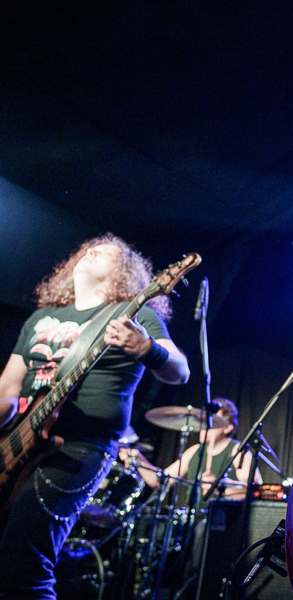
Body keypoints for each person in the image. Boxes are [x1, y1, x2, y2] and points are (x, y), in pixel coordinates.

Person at [0, 233, 190, 599]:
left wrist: (146, 348)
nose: (89, 251)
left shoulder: (135, 314)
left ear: (123, 271)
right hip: (18, 440)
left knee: (23, 564)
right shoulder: (41, 318)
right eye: (87, 249)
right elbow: (7, 387)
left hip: (79, 447)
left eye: (103, 252)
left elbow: (180, 371)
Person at [122, 398, 260, 505]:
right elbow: (161, 481)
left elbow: (256, 490)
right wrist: (138, 458)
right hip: (191, 520)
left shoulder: (236, 451)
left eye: (212, 420)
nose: (204, 424)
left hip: (220, 522)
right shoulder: (194, 451)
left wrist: (222, 488)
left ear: (228, 427)